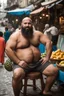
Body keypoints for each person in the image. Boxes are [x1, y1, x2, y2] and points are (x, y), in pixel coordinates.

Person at [5, 17, 59, 96]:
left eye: (29, 23)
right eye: (25, 23)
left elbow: (48, 42)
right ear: (21, 24)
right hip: (22, 64)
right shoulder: (16, 35)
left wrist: (47, 57)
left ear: (32, 24)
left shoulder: (37, 34)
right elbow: (7, 49)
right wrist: (18, 62)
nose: (27, 25)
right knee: (17, 75)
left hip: (38, 63)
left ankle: (46, 90)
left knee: (54, 71)